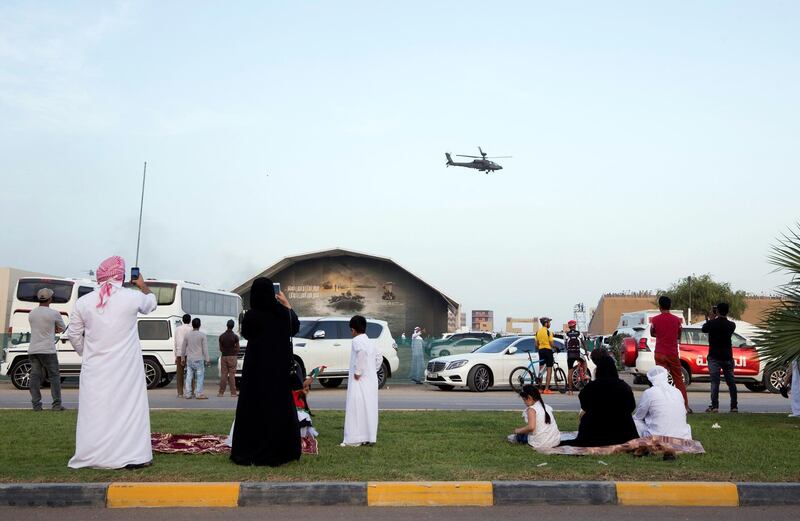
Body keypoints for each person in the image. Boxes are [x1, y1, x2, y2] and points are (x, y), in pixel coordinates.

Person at [66, 256, 157, 469]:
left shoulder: (83, 302)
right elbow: (151, 303)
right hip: (127, 367)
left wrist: (86, 352)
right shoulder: (132, 297)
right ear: (121, 276)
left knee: (95, 412)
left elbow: (73, 335)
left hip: (95, 368)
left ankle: (93, 455)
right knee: (130, 409)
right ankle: (134, 456)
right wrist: (143, 285)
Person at [231, 277, 301, 467]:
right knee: (278, 407)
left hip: (256, 370)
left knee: (254, 408)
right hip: (278, 370)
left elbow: (247, 334)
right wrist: (287, 304)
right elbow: (294, 327)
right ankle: (281, 450)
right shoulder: (282, 313)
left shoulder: (252, 316)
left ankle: (251, 449)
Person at [560, 356, 639, 447]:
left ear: (599, 370)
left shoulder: (590, 388)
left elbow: (584, 406)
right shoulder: (624, 387)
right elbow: (631, 407)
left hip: (594, 434)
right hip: (622, 435)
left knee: (583, 414)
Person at [341, 315, 382, 447]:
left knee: (356, 407)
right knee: (369, 408)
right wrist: (372, 370)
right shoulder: (370, 341)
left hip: (359, 381)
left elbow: (361, 353)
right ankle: (369, 436)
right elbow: (379, 357)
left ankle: (353, 438)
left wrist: (358, 372)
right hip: (370, 380)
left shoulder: (357, 340)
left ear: (353, 329)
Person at [27, 287, 67, 411]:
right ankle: (56, 405)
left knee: (35, 377)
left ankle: (36, 405)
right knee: (54, 377)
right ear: (50, 299)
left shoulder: (32, 313)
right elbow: (62, 328)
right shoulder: (54, 313)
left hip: (33, 349)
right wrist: (54, 328)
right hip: (48, 350)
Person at [650, 296, 689, 412]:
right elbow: (679, 335)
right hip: (672, 353)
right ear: (670, 306)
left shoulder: (655, 320)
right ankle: (684, 406)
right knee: (678, 379)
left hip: (659, 352)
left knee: (660, 379)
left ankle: (660, 405)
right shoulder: (677, 320)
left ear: (660, 306)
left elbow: (653, 333)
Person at [633, 366, 692, 439]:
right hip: (683, 438)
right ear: (666, 377)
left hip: (658, 438)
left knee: (635, 421)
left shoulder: (649, 393)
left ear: (650, 380)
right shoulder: (677, 391)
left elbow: (638, 417)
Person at [701, 302, 738, 413]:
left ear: (717, 311)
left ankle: (715, 406)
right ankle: (734, 406)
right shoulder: (731, 325)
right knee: (731, 382)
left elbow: (704, 329)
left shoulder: (712, 324)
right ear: (727, 311)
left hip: (714, 357)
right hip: (727, 357)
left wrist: (711, 318)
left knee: (715, 382)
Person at [508, 384, 560, 450]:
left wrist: (517, 430)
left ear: (529, 398)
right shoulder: (545, 406)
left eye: (524, 400)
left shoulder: (532, 409)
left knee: (521, 435)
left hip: (542, 443)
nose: (524, 403)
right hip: (555, 441)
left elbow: (531, 427)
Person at [182, 318, 209, 399]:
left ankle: (188, 393)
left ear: (192, 325)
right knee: (200, 376)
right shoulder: (202, 335)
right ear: (199, 325)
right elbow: (205, 349)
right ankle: (198, 393)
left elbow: (183, 348)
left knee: (189, 376)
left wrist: (183, 358)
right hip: (199, 359)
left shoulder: (187, 335)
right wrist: (207, 359)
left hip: (190, 359)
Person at [218, 319, 240, 397]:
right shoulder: (235, 337)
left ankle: (221, 392)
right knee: (232, 375)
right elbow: (238, 348)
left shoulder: (221, 336)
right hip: (232, 357)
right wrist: (234, 353)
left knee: (224, 375)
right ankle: (233, 393)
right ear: (233, 326)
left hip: (224, 356)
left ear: (227, 325)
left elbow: (220, 348)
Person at [565, 320, 587, 395]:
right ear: (575, 326)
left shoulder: (566, 334)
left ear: (569, 326)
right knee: (584, 361)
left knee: (570, 372)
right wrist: (586, 352)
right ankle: (584, 374)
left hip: (570, 354)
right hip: (577, 353)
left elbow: (565, 345)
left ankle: (570, 391)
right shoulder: (579, 333)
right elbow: (583, 343)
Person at [174, 314, 192, 398]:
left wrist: (175, 355)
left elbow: (175, 342)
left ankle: (180, 392)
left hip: (179, 353)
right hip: (189, 353)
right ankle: (191, 391)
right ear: (190, 320)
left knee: (179, 374)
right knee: (190, 373)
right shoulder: (191, 329)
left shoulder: (177, 329)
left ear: (182, 320)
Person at [535, 317, 555, 393]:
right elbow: (551, 343)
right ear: (546, 323)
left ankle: (540, 389)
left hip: (541, 351)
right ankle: (546, 389)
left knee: (541, 370)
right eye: (549, 322)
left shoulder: (537, 332)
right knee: (549, 370)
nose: (550, 324)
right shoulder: (549, 332)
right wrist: (555, 348)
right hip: (548, 351)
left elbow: (536, 344)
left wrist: (541, 346)